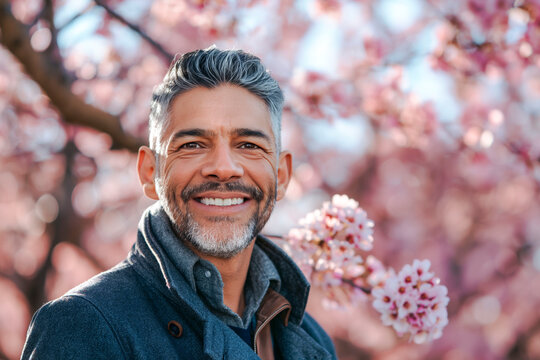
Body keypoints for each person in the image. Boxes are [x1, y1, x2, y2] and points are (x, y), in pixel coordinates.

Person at [21, 47, 337, 360]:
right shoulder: (81, 325)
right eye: (193, 144)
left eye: (249, 144)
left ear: (281, 175)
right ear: (149, 171)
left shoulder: (313, 339)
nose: (224, 167)